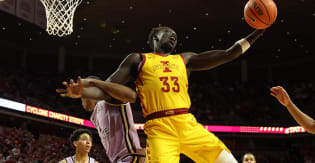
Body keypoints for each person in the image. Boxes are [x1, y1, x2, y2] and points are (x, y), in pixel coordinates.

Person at [61, 26, 266, 162]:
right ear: (155, 38)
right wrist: (83, 92)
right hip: (159, 129)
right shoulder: (138, 59)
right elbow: (108, 89)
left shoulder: (185, 59)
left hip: (187, 123)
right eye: (169, 32)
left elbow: (228, 54)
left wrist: (258, 31)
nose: (174, 35)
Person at [58, 77, 145, 163]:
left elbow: (128, 95)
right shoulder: (94, 116)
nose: (83, 98)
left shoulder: (108, 100)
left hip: (131, 157)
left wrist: (94, 82)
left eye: (85, 93)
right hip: (121, 159)